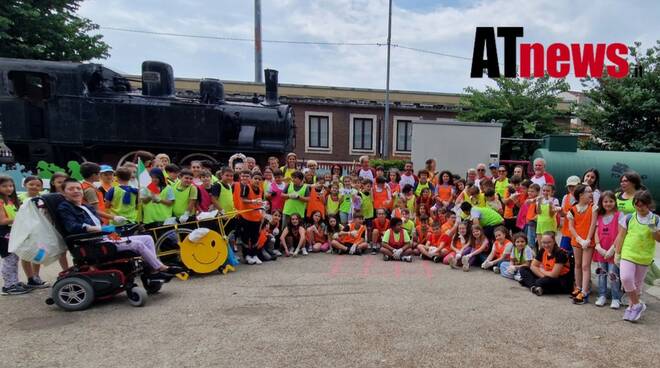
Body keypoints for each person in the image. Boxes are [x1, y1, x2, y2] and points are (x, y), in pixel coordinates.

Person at [57, 178, 177, 278]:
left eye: (78, 188)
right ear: (63, 193)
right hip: (91, 242)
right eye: (71, 189)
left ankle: (153, 270)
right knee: (138, 245)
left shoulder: (85, 206)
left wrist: (110, 224)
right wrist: (98, 229)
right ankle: (160, 268)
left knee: (147, 238)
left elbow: (100, 220)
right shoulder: (65, 208)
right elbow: (72, 227)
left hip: (102, 237)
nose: (76, 191)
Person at [614, 190, 660, 322]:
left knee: (637, 285)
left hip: (644, 257)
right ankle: (637, 304)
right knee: (626, 278)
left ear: (649, 204)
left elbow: (658, 239)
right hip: (628, 253)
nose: (639, 208)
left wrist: (653, 229)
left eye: (642, 205)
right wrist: (617, 253)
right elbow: (621, 236)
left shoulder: (655, 219)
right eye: (637, 205)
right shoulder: (628, 218)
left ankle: (631, 308)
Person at [0, 176, 34, 295]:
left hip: (11, 233)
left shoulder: (9, 200)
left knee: (14, 258)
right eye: (4, 186)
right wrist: (19, 218)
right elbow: (2, 221)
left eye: (10, 186)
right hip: (3, 234)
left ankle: (14, 282)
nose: (8, 188)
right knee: (9, 259)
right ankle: (8, 286)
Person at [567, 184, 597, 304]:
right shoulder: (573, 210)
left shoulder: (593, 207)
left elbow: (593, 224)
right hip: (577, 241)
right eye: (588, 192)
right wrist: (579, 239)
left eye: (591, 191)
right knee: (577, 265)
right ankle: (578, 287)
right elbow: (571, 227)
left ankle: (585, 291)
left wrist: (588, 239)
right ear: (580, 195)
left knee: (585, 266)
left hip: (588, 242)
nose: (591, 194)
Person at [519, 231, 573, 296]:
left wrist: (541, 271)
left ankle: (532, 284)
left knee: (540, 281)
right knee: (523, 269)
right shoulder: (543, 250)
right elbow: (533, 266)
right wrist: (542, 276)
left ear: (554, 241)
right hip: (547, 275)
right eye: (544, 243)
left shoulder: (560, 253)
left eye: (549, 242)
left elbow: (554, 275)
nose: (546, 245)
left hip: (561, 279)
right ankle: (534, 287)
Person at [593, 191, 621, 309]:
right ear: (601, 203)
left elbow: (620, 233)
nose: (608, 203)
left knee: (613, 274)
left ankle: (615, 298)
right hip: (601, 252)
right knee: (601, 274)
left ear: (615, 202)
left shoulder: (619, 215)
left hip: (612, 251)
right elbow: (596, 232)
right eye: (605, 201)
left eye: (610, 201)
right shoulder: (599, 216)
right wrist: (598, 246)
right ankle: (602, 295)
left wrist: (612, 249)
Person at [559, 176, 580, 253]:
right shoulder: (565, 197)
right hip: (566, 232)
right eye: (569, 186)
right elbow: (563, 215)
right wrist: (560, 211)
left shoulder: (583, 197)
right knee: (563, 254)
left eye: (573, 186)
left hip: (579, 233)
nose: (571, 188)